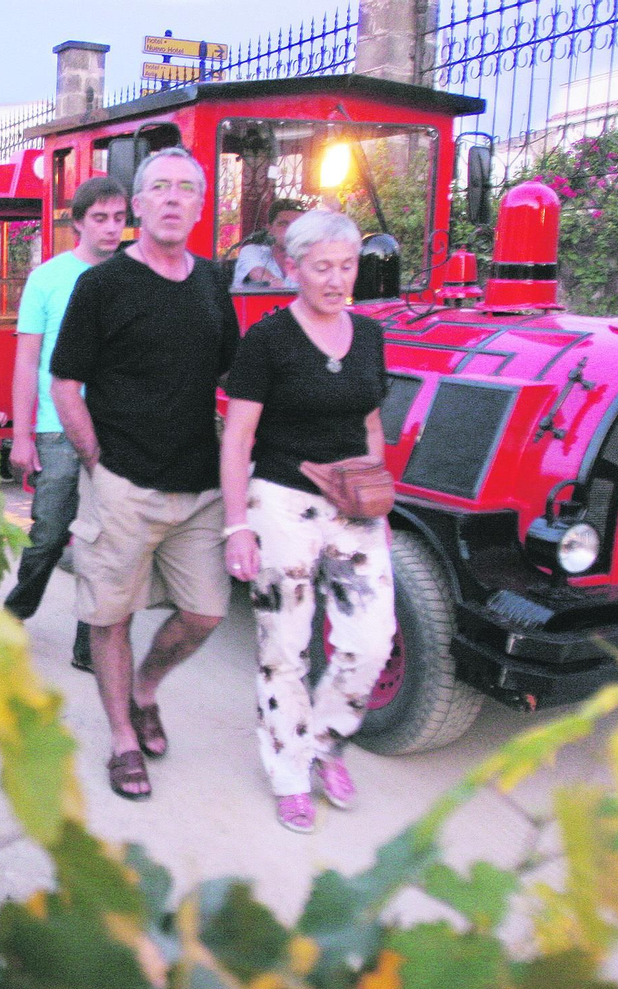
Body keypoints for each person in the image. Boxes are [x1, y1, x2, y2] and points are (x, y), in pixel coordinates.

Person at [49, 146, 239, 801]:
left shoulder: (214, 282)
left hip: (201, 485)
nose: (171, 198)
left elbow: (232, 378)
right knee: (110, 617)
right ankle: (123, 738)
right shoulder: (101, 286)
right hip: (123, 481)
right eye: (159, 187)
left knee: (205, 613)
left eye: (186, 188)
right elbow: (65, 383)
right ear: (138, 203)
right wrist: (97, 461)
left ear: (199, 204)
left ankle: (145, 688)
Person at [220, 209, 394, 834]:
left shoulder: (371, 336)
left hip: (353, 507)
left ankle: (324, 740)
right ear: (292, 268)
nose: (335, 279)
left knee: (370, 642)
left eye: (346, 266)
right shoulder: (268, 341)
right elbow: (238, 437)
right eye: (321, 267)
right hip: (282, 501)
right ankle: (289, 769)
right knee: (284, 644)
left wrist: (375, 498)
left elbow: (371, 425)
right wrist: (236, 525)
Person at [3, 175, 129, 672]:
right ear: (77, 222)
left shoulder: (134, 274)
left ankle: (89, 644)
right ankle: (15, 613)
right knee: (50, 532)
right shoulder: (48, 278)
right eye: (100, 218)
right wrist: (22, 435)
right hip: (58, 427)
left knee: (106, 542)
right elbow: (26, 359)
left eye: (119, 218)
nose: (111, 228)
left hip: (116, 428)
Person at [232, 198, 305, 288]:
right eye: (283, 224)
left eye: (297, 225)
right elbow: (257, 272)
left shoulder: (309, 258)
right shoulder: (251, 251)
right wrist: (274, 282)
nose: (291, 230)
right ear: (269, 228)